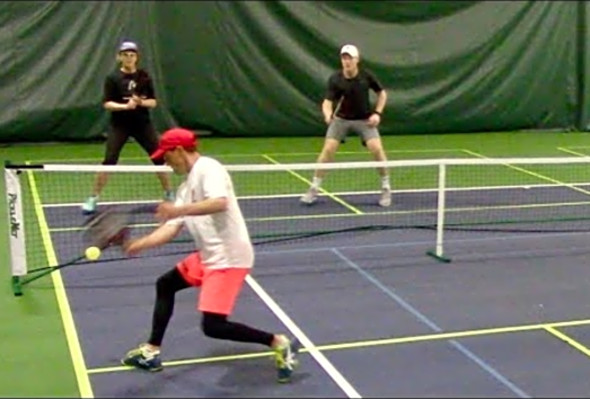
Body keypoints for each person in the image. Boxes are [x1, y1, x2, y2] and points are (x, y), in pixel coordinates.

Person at [120, 127, 299, 383]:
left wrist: (178, 210)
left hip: (229, 258)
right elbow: (170, 228)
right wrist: (139, 245)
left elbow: (219, 202)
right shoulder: (185, 187)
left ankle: (278, 342)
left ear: (179, 150)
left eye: (166, 156)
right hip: (208, 255)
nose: (165, 162)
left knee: (213, 326)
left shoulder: (209, 168)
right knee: (166, 284)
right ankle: (151, 352)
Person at [81, 40, 174, 215]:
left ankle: (169, 194)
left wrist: (140, 102)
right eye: (125, 55)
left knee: (159, 159)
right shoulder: (113, 79)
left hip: (142, 125)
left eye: (132, 55)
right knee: (109, 161)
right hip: (120, 125)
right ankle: (93, 198)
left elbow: (153, 102)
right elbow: (107, 104)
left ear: (136, 57)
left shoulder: (144, 77)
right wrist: (125, 107)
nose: (129, 58)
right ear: (120, 57)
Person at [300, 44, 391, 207]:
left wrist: (377, 113)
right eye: (344, 58)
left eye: (350, 58)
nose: (346, 61)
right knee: (327, 150)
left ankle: (386, 187)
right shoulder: (335, 79)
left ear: (357, 60)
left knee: (377, 149)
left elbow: (382, 94)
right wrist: (327, 115)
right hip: (341, 120)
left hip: (364, 120)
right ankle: (314, 188)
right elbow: (327, 102)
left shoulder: (366, 76)